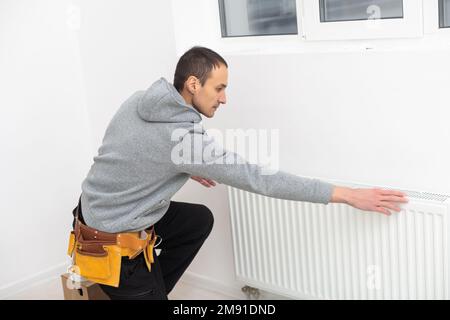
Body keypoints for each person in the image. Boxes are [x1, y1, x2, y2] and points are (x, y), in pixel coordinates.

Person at [73, 46, 408, 300]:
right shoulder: (184, 142)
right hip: (110, 245)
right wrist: (347, 195)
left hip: (91, 210)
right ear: (193, 83)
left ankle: (152, 289)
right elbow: (258, 178)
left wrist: (181, 168)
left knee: (197, 221)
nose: (225, 98)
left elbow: (126, 148)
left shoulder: (139, 100)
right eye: (219, 88)